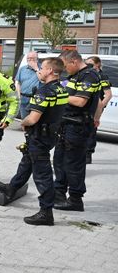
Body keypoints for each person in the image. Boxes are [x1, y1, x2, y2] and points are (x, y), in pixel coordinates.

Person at [0, 58, 68, 225]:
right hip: (50, 135)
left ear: (50, 70)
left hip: (39, 137)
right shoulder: (62, 89)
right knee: (27, 161)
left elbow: (33, 118)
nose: (40, 71)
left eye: (42, 68)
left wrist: (23, 122)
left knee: (42, 175)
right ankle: (12, 188)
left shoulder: (44, 91)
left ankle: (46, 212)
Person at [52, 50, 104, 211]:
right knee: (59, 160)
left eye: (65, 65)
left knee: (73, 164)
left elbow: (81, 101)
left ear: (74, 61)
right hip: (66, 125)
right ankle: (58, 194)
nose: (64, 69)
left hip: (77, 127)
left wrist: (56, 95)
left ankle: (75, 199)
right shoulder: (74, 76)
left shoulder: (89, 75)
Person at [85, 56, 112, 164]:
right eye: (87, 64)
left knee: (91, 130)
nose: (88, 66)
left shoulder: (102, 76)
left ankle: (88, 154)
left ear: (97, 64)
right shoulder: (87, 74)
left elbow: (108, 95)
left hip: (95, 107)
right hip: (85, 106)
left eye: (91, 64)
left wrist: (100, 107)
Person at [15, 51, 41, 120]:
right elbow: (18, 83)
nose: (30, 60)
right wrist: (18, 96)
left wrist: (36, 69)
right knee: (24, 120)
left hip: (36, 99)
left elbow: (42, 79)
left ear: (37, 59)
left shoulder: (41, 69)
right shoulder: (22, 69)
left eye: (32, 58)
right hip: (24, 98)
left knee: (34, 121)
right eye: (28, 58)